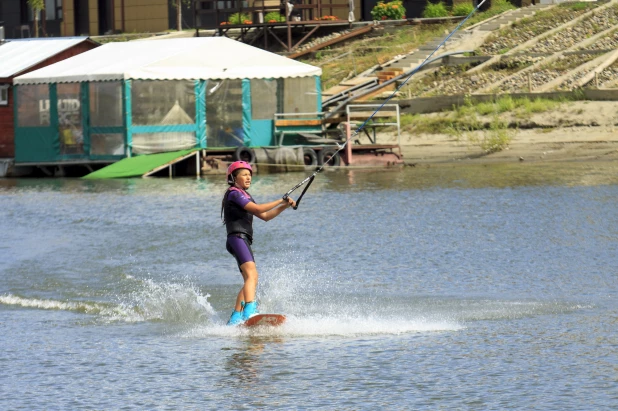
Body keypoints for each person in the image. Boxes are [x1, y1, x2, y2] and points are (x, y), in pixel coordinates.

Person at [221, 160, 296, 325]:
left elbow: (265, 216)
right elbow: (259, 209)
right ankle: (249, 310)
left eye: (250, 175)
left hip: (241, 240)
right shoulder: (234, 193)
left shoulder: (246, 196)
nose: (248, 178)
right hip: (237, 238)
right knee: (252, 275)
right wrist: (280, 200)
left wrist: (284, 205)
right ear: (234, 177)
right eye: (244, 175)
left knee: (251, 278)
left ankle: (235, 317)